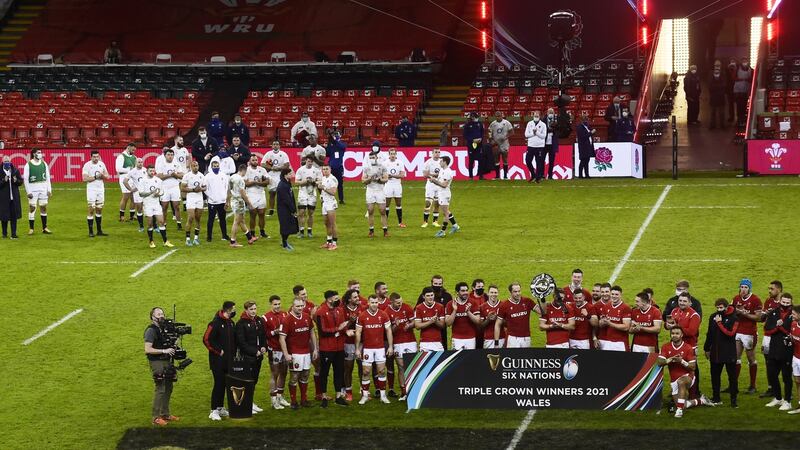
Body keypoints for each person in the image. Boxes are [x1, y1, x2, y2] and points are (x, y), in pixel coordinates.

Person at [279, 298, 318, 409]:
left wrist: (315, 349)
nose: (300, 308)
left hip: (306, 352)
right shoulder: (287, 319)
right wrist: (286, 354)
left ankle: (304, 400)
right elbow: (282, 339)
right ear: (292, 306)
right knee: (294, 376)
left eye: (302, 306)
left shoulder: (306, 317)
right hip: (294, 353)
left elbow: (312, 332)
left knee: (305, 374)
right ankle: (293, 401)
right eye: (298, 306)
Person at [355, 295, 394, 404]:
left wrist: (390, 346)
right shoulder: (362, 316)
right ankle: (365, 395)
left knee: (381, 371)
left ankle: (383, 395)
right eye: (372, 302)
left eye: (376, 302)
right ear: (368, 303)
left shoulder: (383, 315)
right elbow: (358, 332)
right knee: (366, 372)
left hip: (380, 348)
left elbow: (389, 331)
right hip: (367, 349)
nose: (374, 305)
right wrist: (357, 349)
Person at [143, 307, 178, 426]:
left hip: (167, 361)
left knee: (169, 387)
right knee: (161, 388)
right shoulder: (151, 330)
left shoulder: (164, 329)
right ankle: (155, 417)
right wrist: (164, 351)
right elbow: (147, 349)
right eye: (158, 314)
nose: (161, 315)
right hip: (157, 361)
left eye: (162, 313)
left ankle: (165, 414)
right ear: (152, 317)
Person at [315, 290, 350, 407]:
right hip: (327, 348)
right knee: (324, 373)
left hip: (339, 347)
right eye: (336, 298)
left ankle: (338, 396)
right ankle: (324, 396)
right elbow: (322, 331)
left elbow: (342, 326)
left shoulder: (340, 310)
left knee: (339, 371)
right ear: (329, 299)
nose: (338, 300)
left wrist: (346, 330)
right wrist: (337, 329)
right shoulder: (320, 312)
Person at [203, 301, 237, 421]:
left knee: (225, 384)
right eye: (233, 309)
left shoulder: (231, 323)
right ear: (228, 310)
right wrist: (218, 351)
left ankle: (220, 407)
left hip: (229, 361)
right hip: (217, 361)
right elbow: (206, 339)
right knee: (218, 384)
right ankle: (213, 410)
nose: (234, 311)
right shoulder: (215, 323)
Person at [704, 298, 739, 407]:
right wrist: (707, 348)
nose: (719, 310)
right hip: (716, 352)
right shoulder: (712, 317)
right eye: (717, 308)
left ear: (726, 307)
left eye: (721, 308)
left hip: (729, 352)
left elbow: (730, 334)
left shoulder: (734, 318)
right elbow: (709, 333)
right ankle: (716, 398)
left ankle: (734, 400)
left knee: (732, 377)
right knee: (715, 376)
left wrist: (719, 323)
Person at [658, 327, 699, 418]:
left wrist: (681, 361)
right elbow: (660, 363)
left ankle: (679, 411)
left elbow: (693, 367)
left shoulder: (688, 347)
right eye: (673, 333)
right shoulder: (665, 346)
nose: (674, 335)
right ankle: (701, 401)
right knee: (682, 404)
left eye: (677, 333)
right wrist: (671, 359)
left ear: (681, 335)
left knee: (681, 382)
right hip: (674, 380)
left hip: (688, 376)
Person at [764, 293, 794, 411]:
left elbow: (790, 332)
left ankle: (787, 401)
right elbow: (767, 329)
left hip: (787, 350)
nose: (785, 304)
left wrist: (779, 327)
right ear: (780, 301)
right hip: (774, 349)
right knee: (772, 375)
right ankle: (778, 398)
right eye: (784, 302)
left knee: (786, 377)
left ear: (791, 303)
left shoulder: (794, 315)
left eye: (788, 303)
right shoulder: (774, 312)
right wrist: (778, 327)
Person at [235, 301, 267, 414]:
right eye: (251, 309)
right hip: (247, 358)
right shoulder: (240, 324)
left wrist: (263, 347)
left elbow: (263, 335)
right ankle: (246, 404)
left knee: (254, 381)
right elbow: (242, 343)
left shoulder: (259, 320)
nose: (253, 311)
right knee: (247, 382)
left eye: (254, 309)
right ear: (246, 310)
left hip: (258, 357)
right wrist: (255, 352)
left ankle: (250, 402)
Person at [732, 278, 762, 394]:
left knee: (751, 358)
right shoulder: (736, 298)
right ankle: (734, 385)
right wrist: (736, 311)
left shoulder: (755, 300)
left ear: (749, 288)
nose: (743, 289)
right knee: (736, 358)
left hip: (750, 333)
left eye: (746, 287)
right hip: (738, 331)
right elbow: (731, 311)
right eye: (742, 287)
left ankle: (753, 386)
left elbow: (758, 318)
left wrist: (744, 313)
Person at [134, 165, 173, 248]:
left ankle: (165, 241)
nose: (152, 172)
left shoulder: (158, 180)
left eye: (153, 171)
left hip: (156, 204)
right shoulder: (143, 181)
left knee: (161, 222)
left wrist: (158, 194)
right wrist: (151, 193)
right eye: (150, 171)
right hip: (147, 204)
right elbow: (141, 194)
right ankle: (151, 241)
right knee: (150, 224)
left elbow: (162, 191)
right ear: (147, 171)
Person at [262, 295, 290, 410]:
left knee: (284, 372)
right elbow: (263, 334)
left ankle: (280, 397)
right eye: (275, 304)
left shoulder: (285, 314)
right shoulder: (265, 317)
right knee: (275, 373)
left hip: (284, 348)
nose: (278, 306)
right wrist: (275, 332)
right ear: (270, 304)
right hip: (274, 349)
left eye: (279, 304)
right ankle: (273, 400)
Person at [386, 292, 415, 400]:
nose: (400, 304)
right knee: (401, 366)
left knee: (411, 366)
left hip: (410, 341)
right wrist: (395, 326)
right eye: (398, 303)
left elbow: (414, 323)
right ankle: (404, 392)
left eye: (401, 302)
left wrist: (409, 325)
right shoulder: (387, 312)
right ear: (391, 302)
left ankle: (412, 389)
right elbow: (389, 332)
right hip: (397, 342)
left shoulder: (407, 307)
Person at [495, 282, 536, 348]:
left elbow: (542, 311)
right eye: (515, 292)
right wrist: (496, 343)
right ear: (510, 292)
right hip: (512, 339)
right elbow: (497, 324)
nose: (518, 293)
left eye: (519, 291)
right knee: (512, 357)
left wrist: (542, 299)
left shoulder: (527, 301)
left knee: (525, 358)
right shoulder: (504, 305)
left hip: (526, 338)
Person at [760, 280, 783, 398]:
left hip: (778, 336)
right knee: (768, 361)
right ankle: (771, 388)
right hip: (767, 335)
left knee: (780, 362)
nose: (769, 291)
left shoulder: (784, 302)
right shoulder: (768, 301)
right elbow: (761, 319)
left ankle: (781, 389)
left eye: (772, 289)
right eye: (769, 288)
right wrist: (765, 314)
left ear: (779, 289)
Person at [23, 148, 52, 234]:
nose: (40, 154)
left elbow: (47, 177)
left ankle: (44, 228)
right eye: (38, 152)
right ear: (34, 154)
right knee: (32, 208)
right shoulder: (28, 165)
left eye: (40, 152)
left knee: (43, 207)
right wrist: (28, 192)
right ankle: (31, 229)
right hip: (33, 189)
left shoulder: (44, 164)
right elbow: (25, 179)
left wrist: (49, 189)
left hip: (43, 188)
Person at [82, 150, 110, 237]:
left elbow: (108, 176)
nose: (96, 158)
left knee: (99, 209)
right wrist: (95, 177)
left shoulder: (102, 164)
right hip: (91, 189)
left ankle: (99, 231)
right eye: (94, 157)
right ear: (91, 157)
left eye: (97, 156)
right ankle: (90, 231)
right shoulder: (87, 165)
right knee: (91, 209)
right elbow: (84, 178)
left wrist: (103, 176)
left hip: (100, 189)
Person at [444, 282, 481, 350]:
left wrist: (468, 312)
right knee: (456, 359)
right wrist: (454, 311)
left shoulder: (473, 302)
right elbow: (448, 323)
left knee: (469, 360)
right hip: (456, 339)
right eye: (463, 291)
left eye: (466, 290)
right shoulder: (450, 304)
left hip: (470, 338)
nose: (465, 292)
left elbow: (478, 321)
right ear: (457, 292)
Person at [342, 288, 364, 400]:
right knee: (348, 368)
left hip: (361, 342)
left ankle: (363, 389)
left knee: (362, 367)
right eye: (355, 297)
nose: (358, 299)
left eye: (357, 296)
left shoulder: (362, 308)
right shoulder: (342, 310)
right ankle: (348, 391)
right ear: (349, 299)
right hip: (348, 343)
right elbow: (340, 326)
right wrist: (350, 321)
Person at [228, 163, 257, 247]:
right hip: (239, 202)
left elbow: (229, 190)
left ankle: (249, 237)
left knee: (241, 220)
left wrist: (228, 201)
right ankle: (233, 242)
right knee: (236, 221)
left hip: (233, 200)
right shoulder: (241, 180)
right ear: (244, 170)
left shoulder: (232, 177)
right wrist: (249, 204)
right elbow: (243, 193)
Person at [155, 148, 184, 230]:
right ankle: (164, 224)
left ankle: (179, 224)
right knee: (164, 207)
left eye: (171, 155)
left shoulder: (177, 164)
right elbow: (159, 176)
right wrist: (170, 175)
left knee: (177, 206)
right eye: (168, 155)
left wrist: (175, 175)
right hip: (165, 188)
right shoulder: (161, 164)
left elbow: (182, 175)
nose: (170, 156)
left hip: (175, 187)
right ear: (165, 155)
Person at [431, 155, 459, 238]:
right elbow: (440, 180)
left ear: (445, 162)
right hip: (441, 193)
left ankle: (442, 231)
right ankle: (455, 225)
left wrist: (434, 181)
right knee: (446, 211)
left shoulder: (448, 172)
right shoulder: (442, 170)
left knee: (445, 213)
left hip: (445, 194)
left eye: (441, 161)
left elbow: (444, 185)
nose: (439, 162)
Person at [362, 151, 389, 238]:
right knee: (370, 210)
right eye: (370, 158)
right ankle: (371, 230)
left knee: (382, 210)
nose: (372, 159)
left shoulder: (382, 167)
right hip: (370, 190)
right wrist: (369, 179)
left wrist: (379, 179)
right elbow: (363, 180)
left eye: (373, 157)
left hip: (380, 190)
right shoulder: (366, 168)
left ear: (377, 158)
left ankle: (385, 230)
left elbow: (386, 179)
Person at [261, 140, 292, 216]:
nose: (275, 145)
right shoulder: (268, 154)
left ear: (279, 146)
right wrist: (271, 168)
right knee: (271, 193)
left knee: (281, 193)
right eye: (274, 144)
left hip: (280, 175)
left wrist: (279, 168)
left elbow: (287, 165)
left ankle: (283, 209)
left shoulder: (283, 154)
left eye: (277, 144)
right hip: (271, 175)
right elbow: (262, 164)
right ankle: (271, 210)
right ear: (272, 146)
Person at [179, 160, 206, 246]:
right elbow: (182, 188)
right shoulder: (187, 176)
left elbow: (205, 187)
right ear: (191, 167)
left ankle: (196, 238)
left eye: (197, 165)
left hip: (199, 199)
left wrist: (200, 189)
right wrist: (193, 190)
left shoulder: (202, 176)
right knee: (190, 217)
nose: (196, 167)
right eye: (194, 166)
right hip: (191, 198)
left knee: (198, 219)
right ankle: (187, 239)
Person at [597, 285, 632, 351]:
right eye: (612, 294)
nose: (614, 296)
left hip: (620, 343)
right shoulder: (607, 306)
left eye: (616, 294)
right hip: (608, 342)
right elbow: (600, 325)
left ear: (621, 295)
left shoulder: (626, 308)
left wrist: (609, 323)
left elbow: (626, 327)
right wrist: (602, 322)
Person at [204, 160, 230, 242]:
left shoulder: (223, 175)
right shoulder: (207, 176)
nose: (216, 168)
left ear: (219, 166)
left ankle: (224, 235)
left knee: (223, 219)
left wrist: (225, 199)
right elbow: (205, 188)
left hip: (222, 201)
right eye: (214, 166)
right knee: (211, 219)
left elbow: (226, 187)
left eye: (217, 166)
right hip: (212, 202)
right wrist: (211, 196)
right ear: (211, 167)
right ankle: (209, 236)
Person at [244, 155, 269, 239]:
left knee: (262, 213)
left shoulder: (262, 170)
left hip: (261, 193)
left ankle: (262, 231)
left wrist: (257, 183)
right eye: (253, 160)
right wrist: (255, 182)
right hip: (251, 194)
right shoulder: (247, 170)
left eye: (256, 160)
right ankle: (252, 232)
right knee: (253, 214)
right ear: (250, 161)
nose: (255, 161)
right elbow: (245, 183)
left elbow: (267, 182)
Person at [295, 157, 321, 239]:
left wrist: (313, 182)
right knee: (301, 212)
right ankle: (301, 231)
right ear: (305, 161)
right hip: (302, 193)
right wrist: (305, 181)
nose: (310, 163)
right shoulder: (300, 170)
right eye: (308, 161)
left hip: (312, 194)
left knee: (311, 213)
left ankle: (309, 231)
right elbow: (296, 182)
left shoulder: (317, 170)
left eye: (311, 161)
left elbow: (320, 182)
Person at [415, 287, 446, 352]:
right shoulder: (419, 308)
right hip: (424, 343)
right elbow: (417, 326)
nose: (430, 297)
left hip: (438, 342)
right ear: (423, 296)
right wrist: (431, 321)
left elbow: (443, 325)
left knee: (439, 362)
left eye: (432, 295)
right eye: (428, 296)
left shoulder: (440, 307)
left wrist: (436, 321)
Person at [317, 164, 339, 250]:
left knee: (332, 223)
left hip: (330, 203)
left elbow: (333, 192)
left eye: (327, 169)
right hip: (325, 203)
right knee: (326, 223)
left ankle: (334, 243)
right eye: (324, 169)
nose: (325, 170)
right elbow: (322, 191)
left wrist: (324, 188)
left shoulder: (332, 179)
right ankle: (328, 242)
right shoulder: (323, 178)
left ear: (330, 170)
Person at [276, 168, 299, 251]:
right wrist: (293, 210)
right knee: (285, 226)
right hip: (284, 209)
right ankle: (284, 244)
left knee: (289, 226)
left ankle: (284, 241)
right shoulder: (282, 185)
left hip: (287, 208)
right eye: (289, 173)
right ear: (285, 175)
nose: (291, 174)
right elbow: (287, 199)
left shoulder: (287, 183)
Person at [383, 148, 406, 228]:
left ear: (396, 154)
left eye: (394, 154)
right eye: (391, 154)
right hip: (388, 185)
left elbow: (402, 175)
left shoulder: (400, 163)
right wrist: (386, 176)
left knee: (398, 204)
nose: (392, 155)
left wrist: (392, 176)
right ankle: (385, 223)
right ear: (389, 154)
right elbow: (382, 174)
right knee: (387, 204)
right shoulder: (385, 163)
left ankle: (400, 223)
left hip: (397, 185)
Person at [1, 156, 22, 239]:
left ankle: (13, 234)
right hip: (3, 198)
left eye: (8, 161)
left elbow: (21, 182)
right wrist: (3, 181)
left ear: (10, 162)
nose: (7, 162)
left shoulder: (15, 170)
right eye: (5, 161)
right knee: (4, 216)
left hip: (13, 198)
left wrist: (16, 180)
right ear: (2, 162)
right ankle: (4, 234)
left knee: (14, 217)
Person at [122, 157, 146, 231]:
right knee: (139, 209)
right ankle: (141, 227)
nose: (140, 163)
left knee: (150, 208)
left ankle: (155, 226)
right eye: (139, 162)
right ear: (135, 163)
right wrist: (131, 190)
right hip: (137, 193)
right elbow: (125, 181)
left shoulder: (146, 170)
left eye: (141, 162)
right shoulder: (132, 171)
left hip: (146, 192)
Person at [115, 144, 137, 223]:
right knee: (126, 197)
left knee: (133, 197)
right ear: (128, 148)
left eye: (134, 150)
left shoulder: (134, 157)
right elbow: (118, 169)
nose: (134, 152)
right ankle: (122, 216)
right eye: (133, 150)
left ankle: (132, 216)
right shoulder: (121, 156)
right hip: (124, 178)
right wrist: (129, 170)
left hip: (132, 179)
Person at [421, 148, 442, 227]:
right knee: (428, 203)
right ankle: (425, 221)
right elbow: (425, 175)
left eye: (439, 152)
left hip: (439, 184)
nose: (437, 153)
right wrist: (435, 175)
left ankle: (435, 221)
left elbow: (443, 173)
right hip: (430, 185)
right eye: (436, 152)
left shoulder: (442, 162)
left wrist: (432, 174)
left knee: (437, 204)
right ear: (432, 153)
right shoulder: (428, 162)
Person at [489, 111, 513, 179]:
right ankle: (497, 176)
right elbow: (489, 132)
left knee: (505, 158)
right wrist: (491, 140)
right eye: (496, 116)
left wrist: (505, 137)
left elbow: (512, 132)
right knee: (496, 159)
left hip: (504, 143)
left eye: (499, 116)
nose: (498, 117)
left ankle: (505, 176)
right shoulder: (493, 124)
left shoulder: (506, 123)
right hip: (496, 144)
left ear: (501, 116)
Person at [524, 112, 547, 183]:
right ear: (533, 116)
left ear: (540, 116)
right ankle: (533, 174)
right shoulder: (529, 123)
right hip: (531, 145)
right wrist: (533, 134)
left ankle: (538, 177)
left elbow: (543, 136)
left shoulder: (543, 125)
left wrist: (536, 133)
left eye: (537, 116)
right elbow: (526, 134)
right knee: (528, 160)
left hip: (539, 146)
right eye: (535, 116)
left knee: (539, 162)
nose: (536, 117)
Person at [325, 129, 346, 204]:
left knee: (340, 184)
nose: (336, 135)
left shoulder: (342, 144)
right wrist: (328, 144)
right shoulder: (331, 144)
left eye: (337, 134)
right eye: (335, 134)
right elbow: (327, 153)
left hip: (339, 167)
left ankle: (341, 199)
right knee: (329, 183)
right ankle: (329, 198)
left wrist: (333, 140)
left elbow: (341, 146)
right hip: (331, 167)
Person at [463, 112, 484, 179]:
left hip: (479, 144)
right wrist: (472, 140)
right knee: (471, 160)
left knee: (480, 160)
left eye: (473, 116)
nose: (472, 118)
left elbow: (482, 132)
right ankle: (471, 176)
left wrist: (481, 139)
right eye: (471, 117)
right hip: (471, 145)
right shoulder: (468, 125)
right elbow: (465, 135)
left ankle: (481, 176)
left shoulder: (480, 124)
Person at [733, 60, 753, 128]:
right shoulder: (737, 68)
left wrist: (747, 80)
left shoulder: (750, 69)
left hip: (746, 90)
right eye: (743, 61)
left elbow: (751, 79)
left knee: (744, 106)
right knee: (739, 106)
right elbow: (733, 78)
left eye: (745, 61)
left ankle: (743, 120)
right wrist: (740, 79)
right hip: (738, 91)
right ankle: (739, 120)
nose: (744, 62)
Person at [575, 113, 595, 179]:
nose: (586, 120)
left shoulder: (588, 126)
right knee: (583, 160)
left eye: (586, 119)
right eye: (585, 119)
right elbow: (583, 136)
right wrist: (591, 133)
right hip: (583, 146)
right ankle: (580, 175)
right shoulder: (579, 127)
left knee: (587, 160)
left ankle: (587, 174)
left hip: (588, 145)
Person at [543, 108, 560, 179]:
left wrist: (554, 130)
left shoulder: (556, 120)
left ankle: (550, 175)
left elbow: (559, 130)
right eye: (549, 112)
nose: (550, 113)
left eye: (552, 112)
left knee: (552, 161)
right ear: (547, 113)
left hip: (552, 143)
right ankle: (541, 174)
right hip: (544, 143)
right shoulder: (543, 120)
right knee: (541, 160)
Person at [789, 305, 800, 414]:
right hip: (795, 358)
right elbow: (793, 339)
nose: (792, 316)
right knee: (797, 381)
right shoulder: (793, 325)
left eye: (794, 314)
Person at [726, 58, 738, 123]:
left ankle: (738, 117)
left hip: (737, 89)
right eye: (731, 62)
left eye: (734, 61)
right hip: (730, 90)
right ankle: (731, 117)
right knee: (730, 104)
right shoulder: (727, 70)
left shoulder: (738, 70)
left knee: (738, 104)